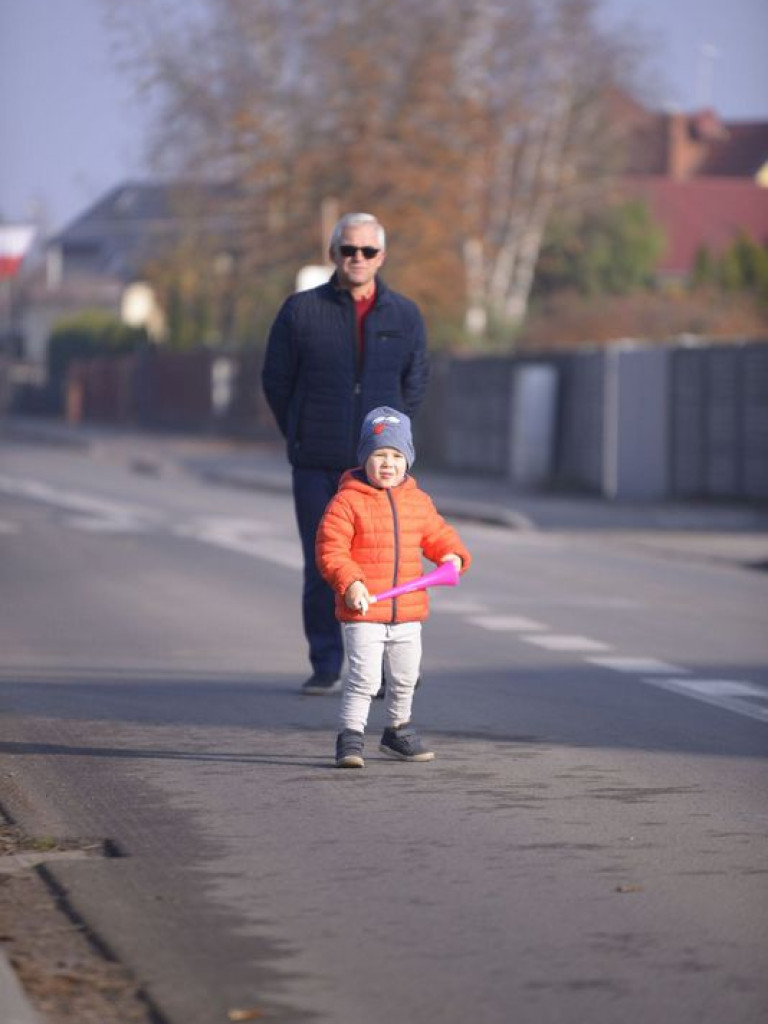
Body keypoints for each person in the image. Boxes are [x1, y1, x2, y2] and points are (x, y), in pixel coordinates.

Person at [262, 213, 430, 695]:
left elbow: (415, 381)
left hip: (378, 470)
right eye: (348, 250)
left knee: (381, 564)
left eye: (368, 251)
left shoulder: (405, 315)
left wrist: (392, 442)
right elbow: (276, 380)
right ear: (333, 253)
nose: (357, 259)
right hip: (316, 460)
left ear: (382, 256)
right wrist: (297, 430)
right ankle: (326, 662)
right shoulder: (301, 311)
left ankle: (375, 671)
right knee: (325, 561)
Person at [316, 406, 472, 768]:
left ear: (409, 460)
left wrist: (452, 556)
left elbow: (438, 535)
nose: (388, 463)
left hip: (407, 611)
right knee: (364, 678)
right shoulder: (347, 501)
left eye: (397, 455)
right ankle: (351, 737)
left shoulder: (418, 502)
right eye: (379, 454)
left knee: (405, 677)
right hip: (364, 610)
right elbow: (331, 548)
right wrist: (350, 582)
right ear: (364, 458)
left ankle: (397, 731)